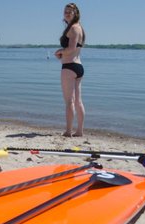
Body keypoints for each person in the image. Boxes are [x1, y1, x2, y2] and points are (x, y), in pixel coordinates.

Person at [54, 3, 85, 137]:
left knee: (69, 101)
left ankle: (68, 131)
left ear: (75, 13)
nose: (67, 13)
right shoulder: (80, 28)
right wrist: (63, 54)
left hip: (69, 67)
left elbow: (71, 48)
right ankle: (79, 131)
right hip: (78, 67)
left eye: (70, 11)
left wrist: (60, 51)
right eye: (65, 11)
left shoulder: (73, 28)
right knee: (78, 101)